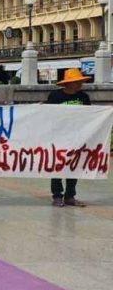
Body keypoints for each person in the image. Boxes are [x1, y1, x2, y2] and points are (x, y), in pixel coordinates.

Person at [47, 68, 92, 207]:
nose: (79, 84)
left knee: (74, 165)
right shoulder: (55, 97)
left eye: (80, 82)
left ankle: (70, 196)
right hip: (59, 136)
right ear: (68, 83)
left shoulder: (83, 97)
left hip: (77, 137)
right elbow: (46, 115)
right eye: (76, 82)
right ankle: (57, 196)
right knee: (58, 166)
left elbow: (91, 114)